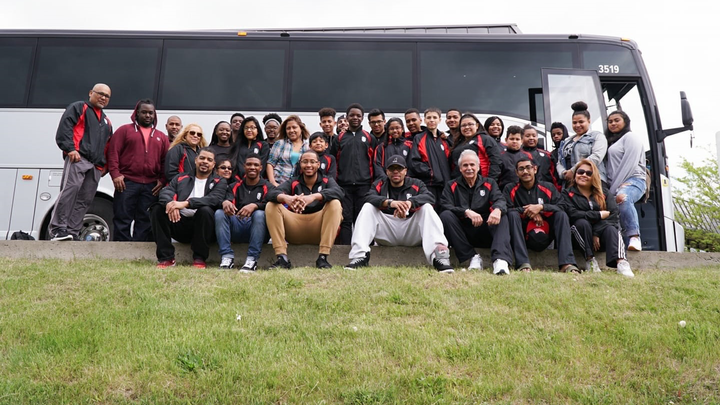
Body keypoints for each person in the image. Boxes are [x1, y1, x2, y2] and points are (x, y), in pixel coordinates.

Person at [345, 155, 454, 273]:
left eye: (399, 168)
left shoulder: (416, 183)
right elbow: (368, 197)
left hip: (411, 232)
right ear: (387, 171)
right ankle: (359, 256)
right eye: (392, 169)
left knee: (426, 208)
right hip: (387, 233)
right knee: (368, 207)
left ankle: (439, 257)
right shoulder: (380, 184)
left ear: (405, 171)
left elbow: (429, 197)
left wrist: (410, 203)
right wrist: (390, 203)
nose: (395, 171)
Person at [49, 83, 114, 241]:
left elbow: (108, 145)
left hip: (95, 166)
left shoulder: (106, 121)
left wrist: (104, 166)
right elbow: (65, 128)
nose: (103, 98)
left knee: (85, 199)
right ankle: (58, 229)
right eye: (100, 93)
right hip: (79, 158)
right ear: (91, 93)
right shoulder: (79, 108)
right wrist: (70, 149)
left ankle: (72, 231)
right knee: (70, 191)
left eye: (107, 96)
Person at [265, 150, 344, 269]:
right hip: (295, 228)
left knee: (335, 204)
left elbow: (339, 192)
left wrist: (314, 197)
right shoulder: (293, 181)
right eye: (305, 162)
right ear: (300, 164)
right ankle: (282, 258)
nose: (308, 165)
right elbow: (270, 193)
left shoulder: (327, 180)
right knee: (271, 205)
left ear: (318, 164)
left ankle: (323, 257)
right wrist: (287, 198)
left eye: (312, 162)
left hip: (319, 230)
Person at [152, 148, 227, 269]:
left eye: (209, 160)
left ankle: (199, 258)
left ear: (213, 164)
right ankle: (166, 258)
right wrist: (171, 204)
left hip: (204, 228)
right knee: (157, 209)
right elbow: (166, 192)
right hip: (179, 222)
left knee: (205, 210)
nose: (205, 161)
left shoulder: (220, 181)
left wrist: (185, 203)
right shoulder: (180, 177)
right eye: (202, 158)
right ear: (196, 160)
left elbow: (214, 199)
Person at [440, 150, 513, 275]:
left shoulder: (489, 183)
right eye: (465, 165)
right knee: (445, 215)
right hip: (463, 232)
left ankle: (500, 260)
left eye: (472, 165)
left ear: (478, 167)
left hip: (486, 228)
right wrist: (466, 212)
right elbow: (445, 205)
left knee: (503, 215)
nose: (469, 168)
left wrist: (497, 209)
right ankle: (472, 258)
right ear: (460, 168)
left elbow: (500, 200)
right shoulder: (451, 185)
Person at [107, 98, 168, 242]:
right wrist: (115, 175)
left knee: (145, 219)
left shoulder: (161, 136)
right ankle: (121, 249)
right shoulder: (124, 130)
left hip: (151, 185)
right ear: (137, 113)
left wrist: (162, 180)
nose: (148, 115)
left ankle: (139, 249)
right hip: (127, 182)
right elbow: (113, 153)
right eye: (144, 112)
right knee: (122, 217)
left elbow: (165, 161)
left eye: (151, 113)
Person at [504, 157, 579, 273]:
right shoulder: (510, 188)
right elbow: (506, 209)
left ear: (535, 169)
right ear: (516, 173)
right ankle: (523, 263)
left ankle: (567, 263)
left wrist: (541, 208)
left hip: (546, 229)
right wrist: (530, 212)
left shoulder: (548, 187)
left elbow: (563, 206)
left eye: (528, 168)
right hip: (523, 231)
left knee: (561, 215)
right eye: (521, 169)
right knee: (512, 215)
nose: (525, 171)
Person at [562, 159, 634, 277]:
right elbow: (572, 214)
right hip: (580, 239)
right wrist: (598, 215)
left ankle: (622, 262)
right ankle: (590, 261)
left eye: (588, 173)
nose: (584, 175)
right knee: (581, 223)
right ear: (575, 174)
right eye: (580, 172)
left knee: (611, 228)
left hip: (602, 238)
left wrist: (596, 233)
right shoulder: (567, 193)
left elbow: (613, 215)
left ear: (594, 176)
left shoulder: (604, 193)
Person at [214, 154, 272, 272]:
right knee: (220, 213)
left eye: (256, 165)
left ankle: (252, 260)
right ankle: (226, 257)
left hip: (259, 230)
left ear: (261, 168)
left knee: (259, 214)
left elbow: (273, 203)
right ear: (244, 166)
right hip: (237, 226)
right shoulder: (234, 186)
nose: (252, 167)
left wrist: (255, 206)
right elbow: (218, 200)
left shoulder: (268, 186)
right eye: (249, 164)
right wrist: (225, 202)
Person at [330, 103, 376, 244]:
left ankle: (364, 249)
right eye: (352, 115)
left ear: (362, 118)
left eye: (358, 115)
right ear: (347, 117)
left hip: (364, 185)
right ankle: (345, 250)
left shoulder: (369, 138)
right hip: (344, 186)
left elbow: (373, 161)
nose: (355, 118)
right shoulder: (339, 138)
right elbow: (333, 160)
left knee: (362, 219)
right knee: (346, 219)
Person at [605, 110, 647, 251]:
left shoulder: (630, 137)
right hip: (617, 183)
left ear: (626, 122)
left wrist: (613, 190)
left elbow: (629, 164)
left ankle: (634, 236)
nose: (613, 123)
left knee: (623, 198)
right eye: (610, 121)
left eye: (617, 120)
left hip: (633, 180)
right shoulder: (612, 141)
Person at [557, 101, 608, 186]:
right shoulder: (566, 141)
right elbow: (559, 162)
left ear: (589, 121)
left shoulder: (597, 136)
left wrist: (573, 171)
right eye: (574, 122)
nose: (577, 125)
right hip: (571, 184)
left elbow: (596, 157)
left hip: (592, 182)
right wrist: (563, 173)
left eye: (581, 122)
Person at [408, 107, 451, 206]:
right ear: (424, 120)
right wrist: (431, 173)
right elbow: (414, 162)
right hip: (429, 185)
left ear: (439, 120)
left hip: (445, 186)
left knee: (445, 211)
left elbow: (450, 162)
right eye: (429, 117)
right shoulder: (419, 138)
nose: (432, 120)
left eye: (434, 117)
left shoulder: (445, 140)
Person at [449, 113, 501, 180]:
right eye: (463, 125)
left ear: (477, 126)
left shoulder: (485, 139)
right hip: (459, 183)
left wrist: (490, 182)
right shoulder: (457, 143)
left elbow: (495, 162)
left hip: (481, 182)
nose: (467, 127)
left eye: (470, 124)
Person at [266, 115, 309, 187]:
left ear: (301, 128)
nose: (291, 130)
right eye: (288, 128)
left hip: (297, 186)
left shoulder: (307, 147)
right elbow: (270, 164)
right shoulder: (280, 143)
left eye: (294, 127)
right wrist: (273, 183)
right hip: (278, 183)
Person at [522, 124, 561, 191]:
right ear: (522, 138)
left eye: (534, 136)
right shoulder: (517, 155)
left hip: (545, 191)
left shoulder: (547, 155)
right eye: (527, 136)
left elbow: (555, 178)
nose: (531, 138)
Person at [498, 125, 524, 191]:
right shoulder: (499, 157)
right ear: (506, 140)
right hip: (505, 192)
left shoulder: (527, 157)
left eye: (517, 139)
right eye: (512, 139)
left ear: (522, 141)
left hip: (523, 192)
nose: (514, 141)